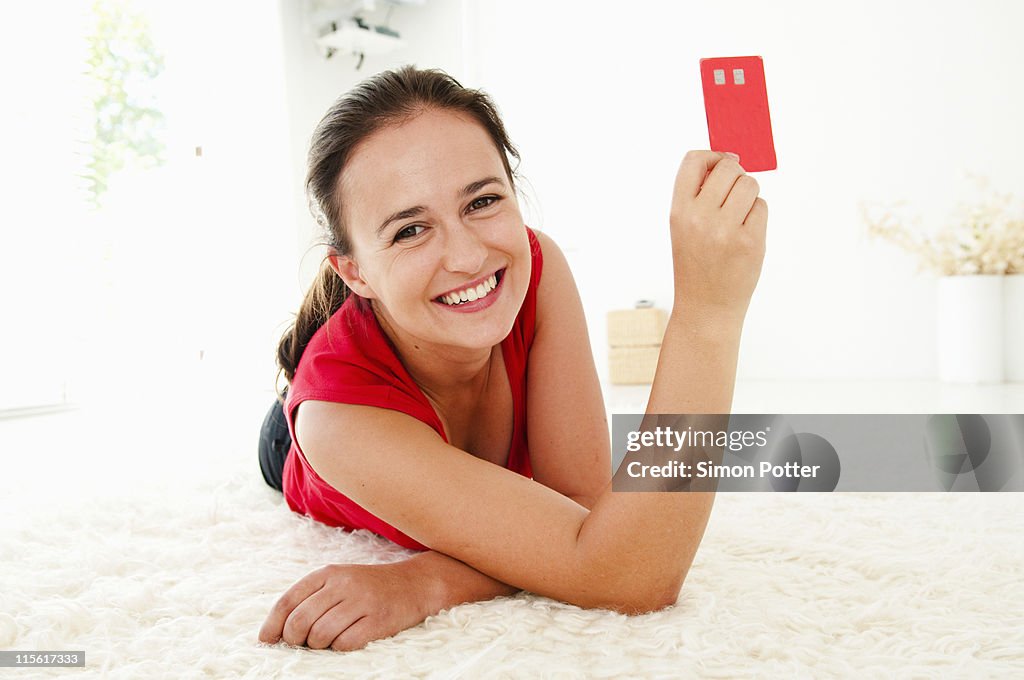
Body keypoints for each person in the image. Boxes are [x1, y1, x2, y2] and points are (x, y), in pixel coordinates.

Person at [256, 65, 767, 652]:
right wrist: (708, 316)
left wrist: (428, 579)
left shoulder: (535, 265)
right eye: (409, 231)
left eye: (482, 201)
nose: (469, 256)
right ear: (353, 271)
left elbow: (585, 516)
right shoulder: (336, 421)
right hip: (307, 442)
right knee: (289, 425)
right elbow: (626, 573)